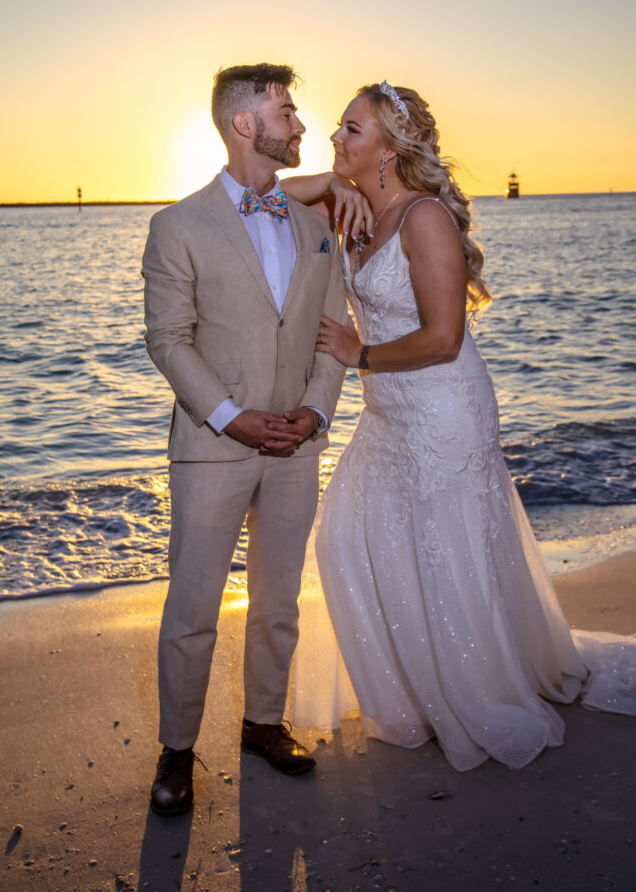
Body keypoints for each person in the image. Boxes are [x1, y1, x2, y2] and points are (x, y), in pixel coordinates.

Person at [283, 82, 636, 771]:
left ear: (388, 149)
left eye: (350, 131)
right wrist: (330, 179)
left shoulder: (424, 220)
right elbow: (259, 200)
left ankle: (473, 688)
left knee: (444, 545)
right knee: (347, 538)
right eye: (338, 128)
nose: (335, 138)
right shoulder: (342, 204)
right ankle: (410, 691)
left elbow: (444, 337)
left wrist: (358, 354)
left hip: (442, 404)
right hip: (389, 409)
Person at [141, 63, 349, 814]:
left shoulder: (317, 225)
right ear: (243, 124)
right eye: (286, 112)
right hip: (212, 447)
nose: (299, 126)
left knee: (279, 599)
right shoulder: (177, 226)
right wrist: (230, 415)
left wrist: (316, 414)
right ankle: (176, 752)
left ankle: (264, 724)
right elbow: (167, 340)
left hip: (296, 447)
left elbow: (333, 337)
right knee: (192, 606)